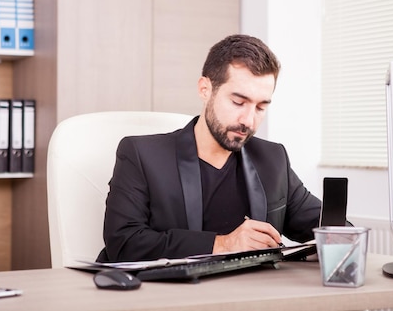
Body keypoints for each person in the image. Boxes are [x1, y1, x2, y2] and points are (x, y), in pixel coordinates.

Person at [96, 34, 321, 262]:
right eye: (238, 102)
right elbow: (123, 243)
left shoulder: (273, 160)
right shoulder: (141, 155)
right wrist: (224, 244)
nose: (249, 120)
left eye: (261, 107)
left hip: (246, 294)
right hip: (165, 294)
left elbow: (329, 225)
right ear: (205, 89)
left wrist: (337, 241)